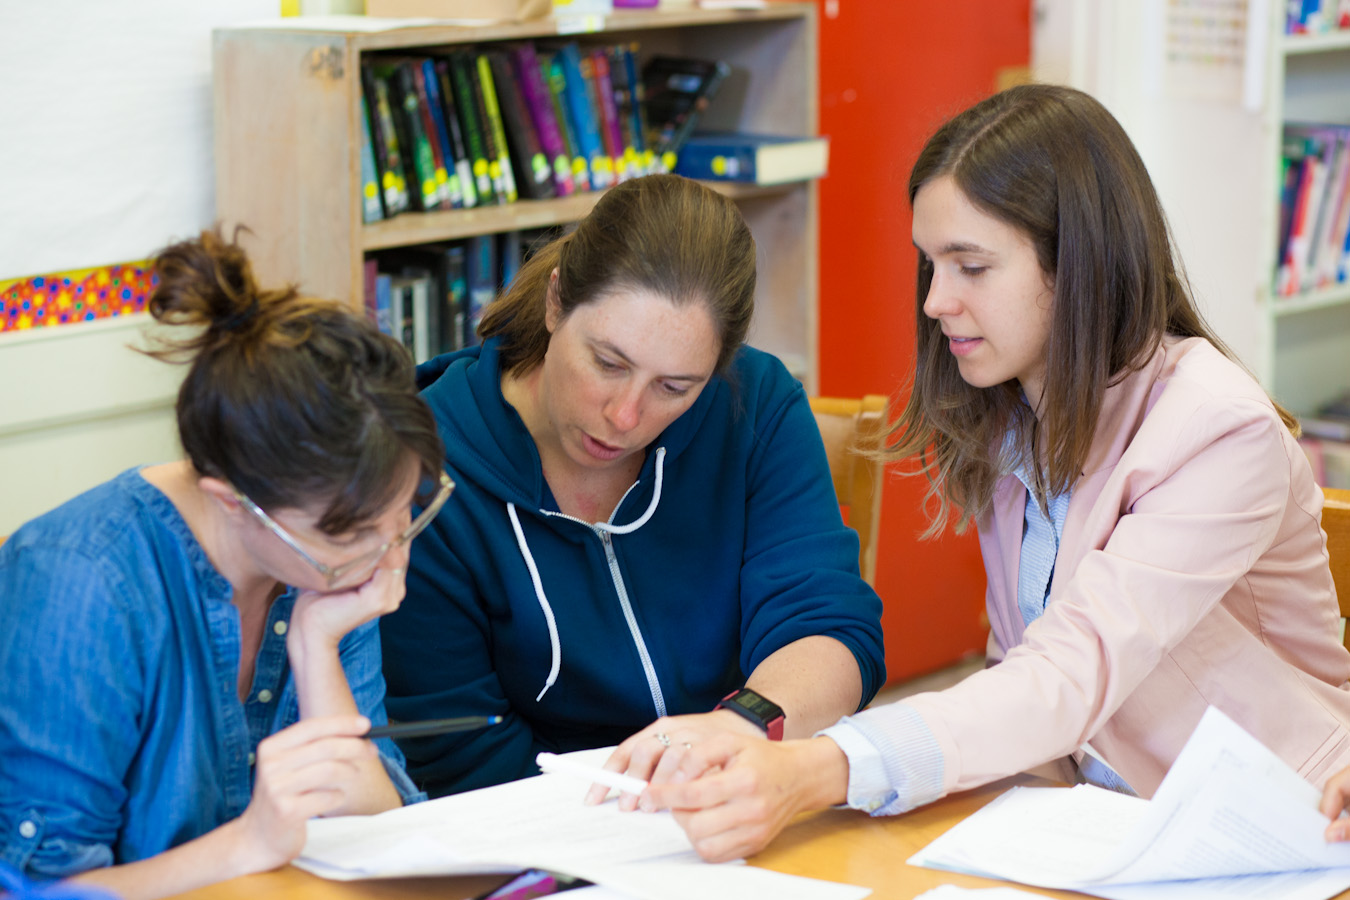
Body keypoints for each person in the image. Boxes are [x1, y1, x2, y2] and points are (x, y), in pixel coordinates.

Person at [640, 83, 1350, 862]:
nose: (938, 301)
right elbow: (1019, 672)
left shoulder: (1219, 428)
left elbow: (1071, 670)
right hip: (1096, 825)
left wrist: (823, 766)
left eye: (971, 266)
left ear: (1078, 264)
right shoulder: (1016, 414)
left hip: (1274, 833)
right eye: (931, 265)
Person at [380, 173, 886, 798]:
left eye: (675, 387)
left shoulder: (754, 402)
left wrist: (742, 729)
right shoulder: (424, 468)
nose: (625, 416)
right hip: (541, 830)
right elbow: (455, 749)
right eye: (608, 363)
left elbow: (828, 629)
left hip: (736, 793)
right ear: (556, 302)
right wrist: (639, 810)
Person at [0, 230, 450, 899]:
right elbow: (34, 891)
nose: (391, 556)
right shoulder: (80, 583)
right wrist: (249, 843)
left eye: (406, 512)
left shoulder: (333, 563)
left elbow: (376, 827)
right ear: (231, 501)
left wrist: (316, 648)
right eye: (357, 534)